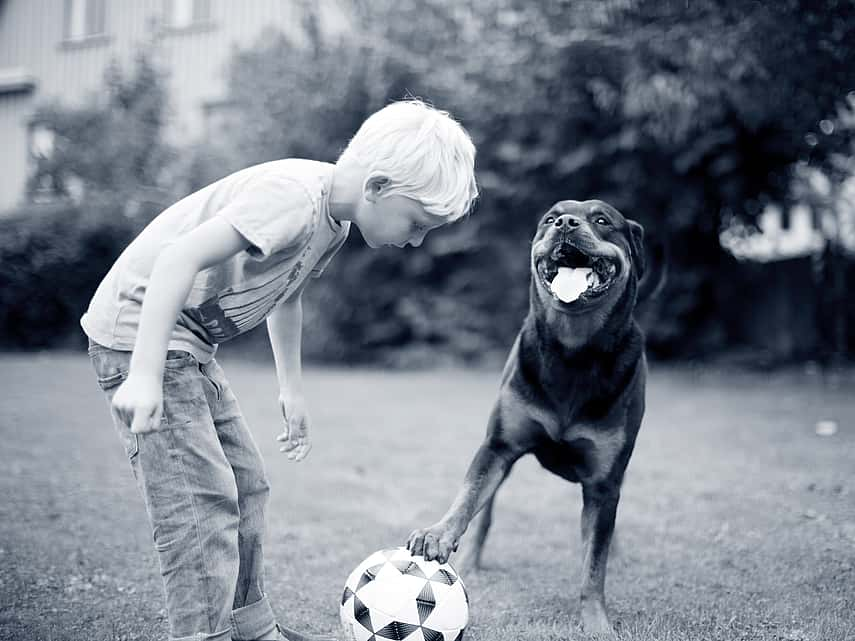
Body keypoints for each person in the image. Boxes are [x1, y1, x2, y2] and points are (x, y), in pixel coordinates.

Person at [82, 99, 478, 641]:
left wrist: (290, 389)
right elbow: (177, 259)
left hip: (191, 346)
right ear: (379, 187)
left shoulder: (332, 224)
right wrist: (145, 374)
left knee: (248, 485)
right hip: (140, 338)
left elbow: (285, 296)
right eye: (417, 223)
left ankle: (253, 627)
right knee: (199, 503)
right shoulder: (292, 199)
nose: (416, 240)